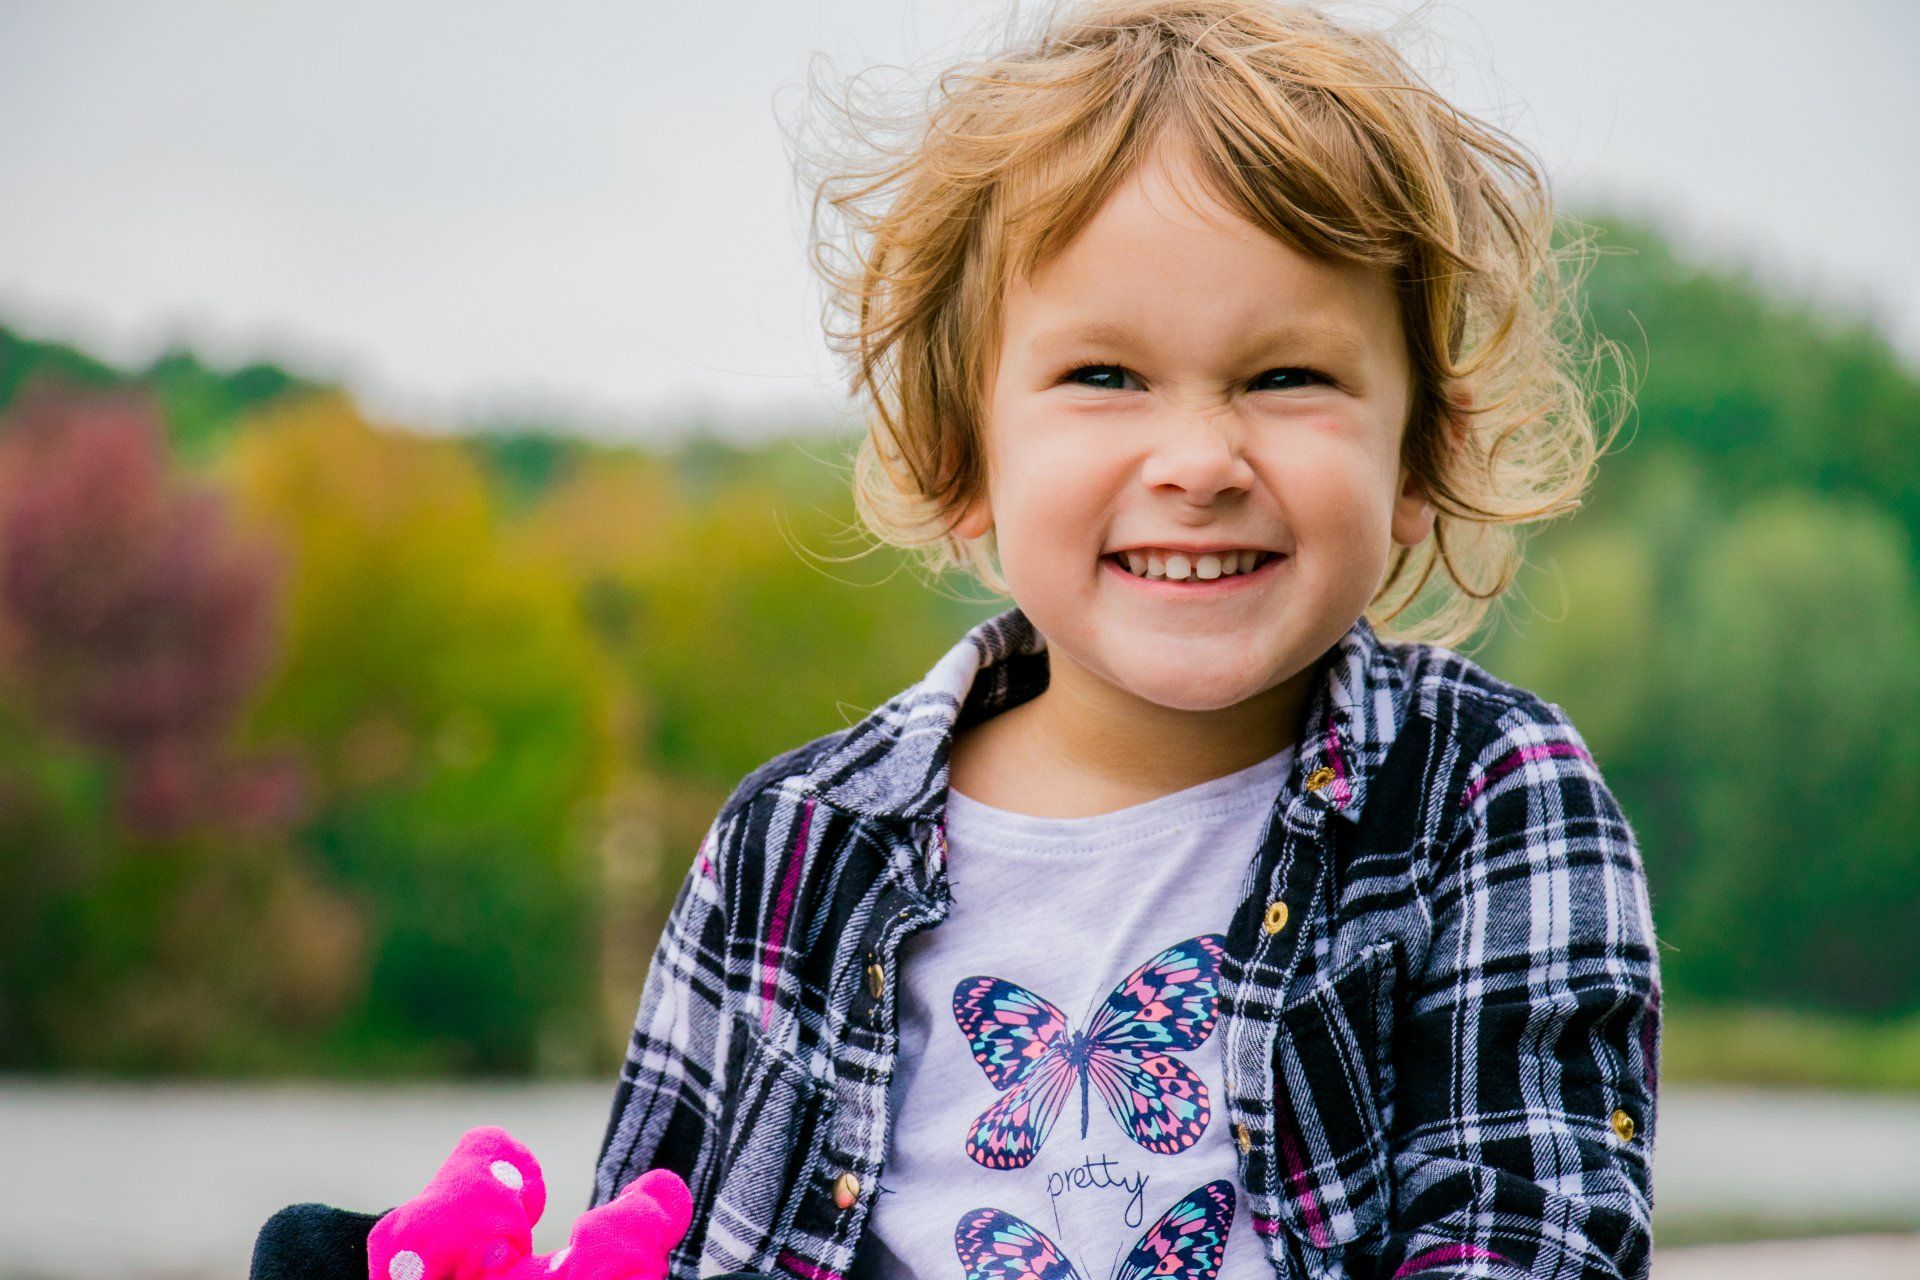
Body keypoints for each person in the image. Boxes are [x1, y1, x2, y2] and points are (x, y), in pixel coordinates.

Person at [590, 2, 1658, 1278]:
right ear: (962, 458)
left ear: (1416, 456)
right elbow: (644, 1243)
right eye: (1104, 376)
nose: (1200, 461)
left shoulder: (1484, 794)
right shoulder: (797, 849)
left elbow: (1528, 1235)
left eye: (1287, 378)